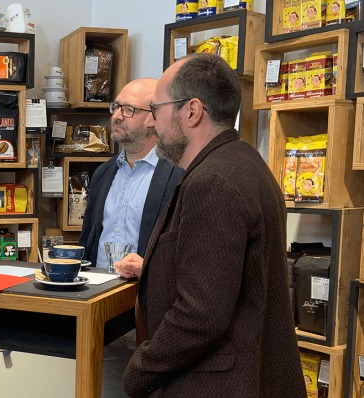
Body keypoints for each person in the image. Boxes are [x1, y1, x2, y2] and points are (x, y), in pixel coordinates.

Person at [117, 53, 306, 397]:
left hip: (217, 384)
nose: (151, 124)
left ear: (191, 111)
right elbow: (226, 278)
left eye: (156, 111)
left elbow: (200, 315)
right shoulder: (245, 162)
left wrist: (138, 372)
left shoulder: (213, 182)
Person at [78, 78, 182, 398]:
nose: (117, 116)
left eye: (128, 109)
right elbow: (89, 242)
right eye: (116, 107)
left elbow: (187, 251)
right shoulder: (103, 173)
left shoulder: (180, 175)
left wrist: (148, 265)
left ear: (153, 116)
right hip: (101, 318)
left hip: (151, 320)